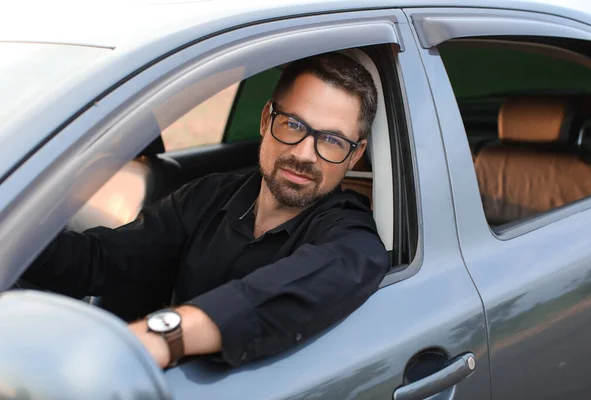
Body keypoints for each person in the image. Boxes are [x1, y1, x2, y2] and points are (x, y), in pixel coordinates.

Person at [23, 52, 389, 368]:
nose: (305, 153)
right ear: (266, 120)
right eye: (293, 125)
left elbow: (294, 286)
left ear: (355, 154)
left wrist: (156, 338)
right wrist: (18, 242)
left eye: (332, 140)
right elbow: (102, 260)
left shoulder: (350, 237)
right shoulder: (208, 196)